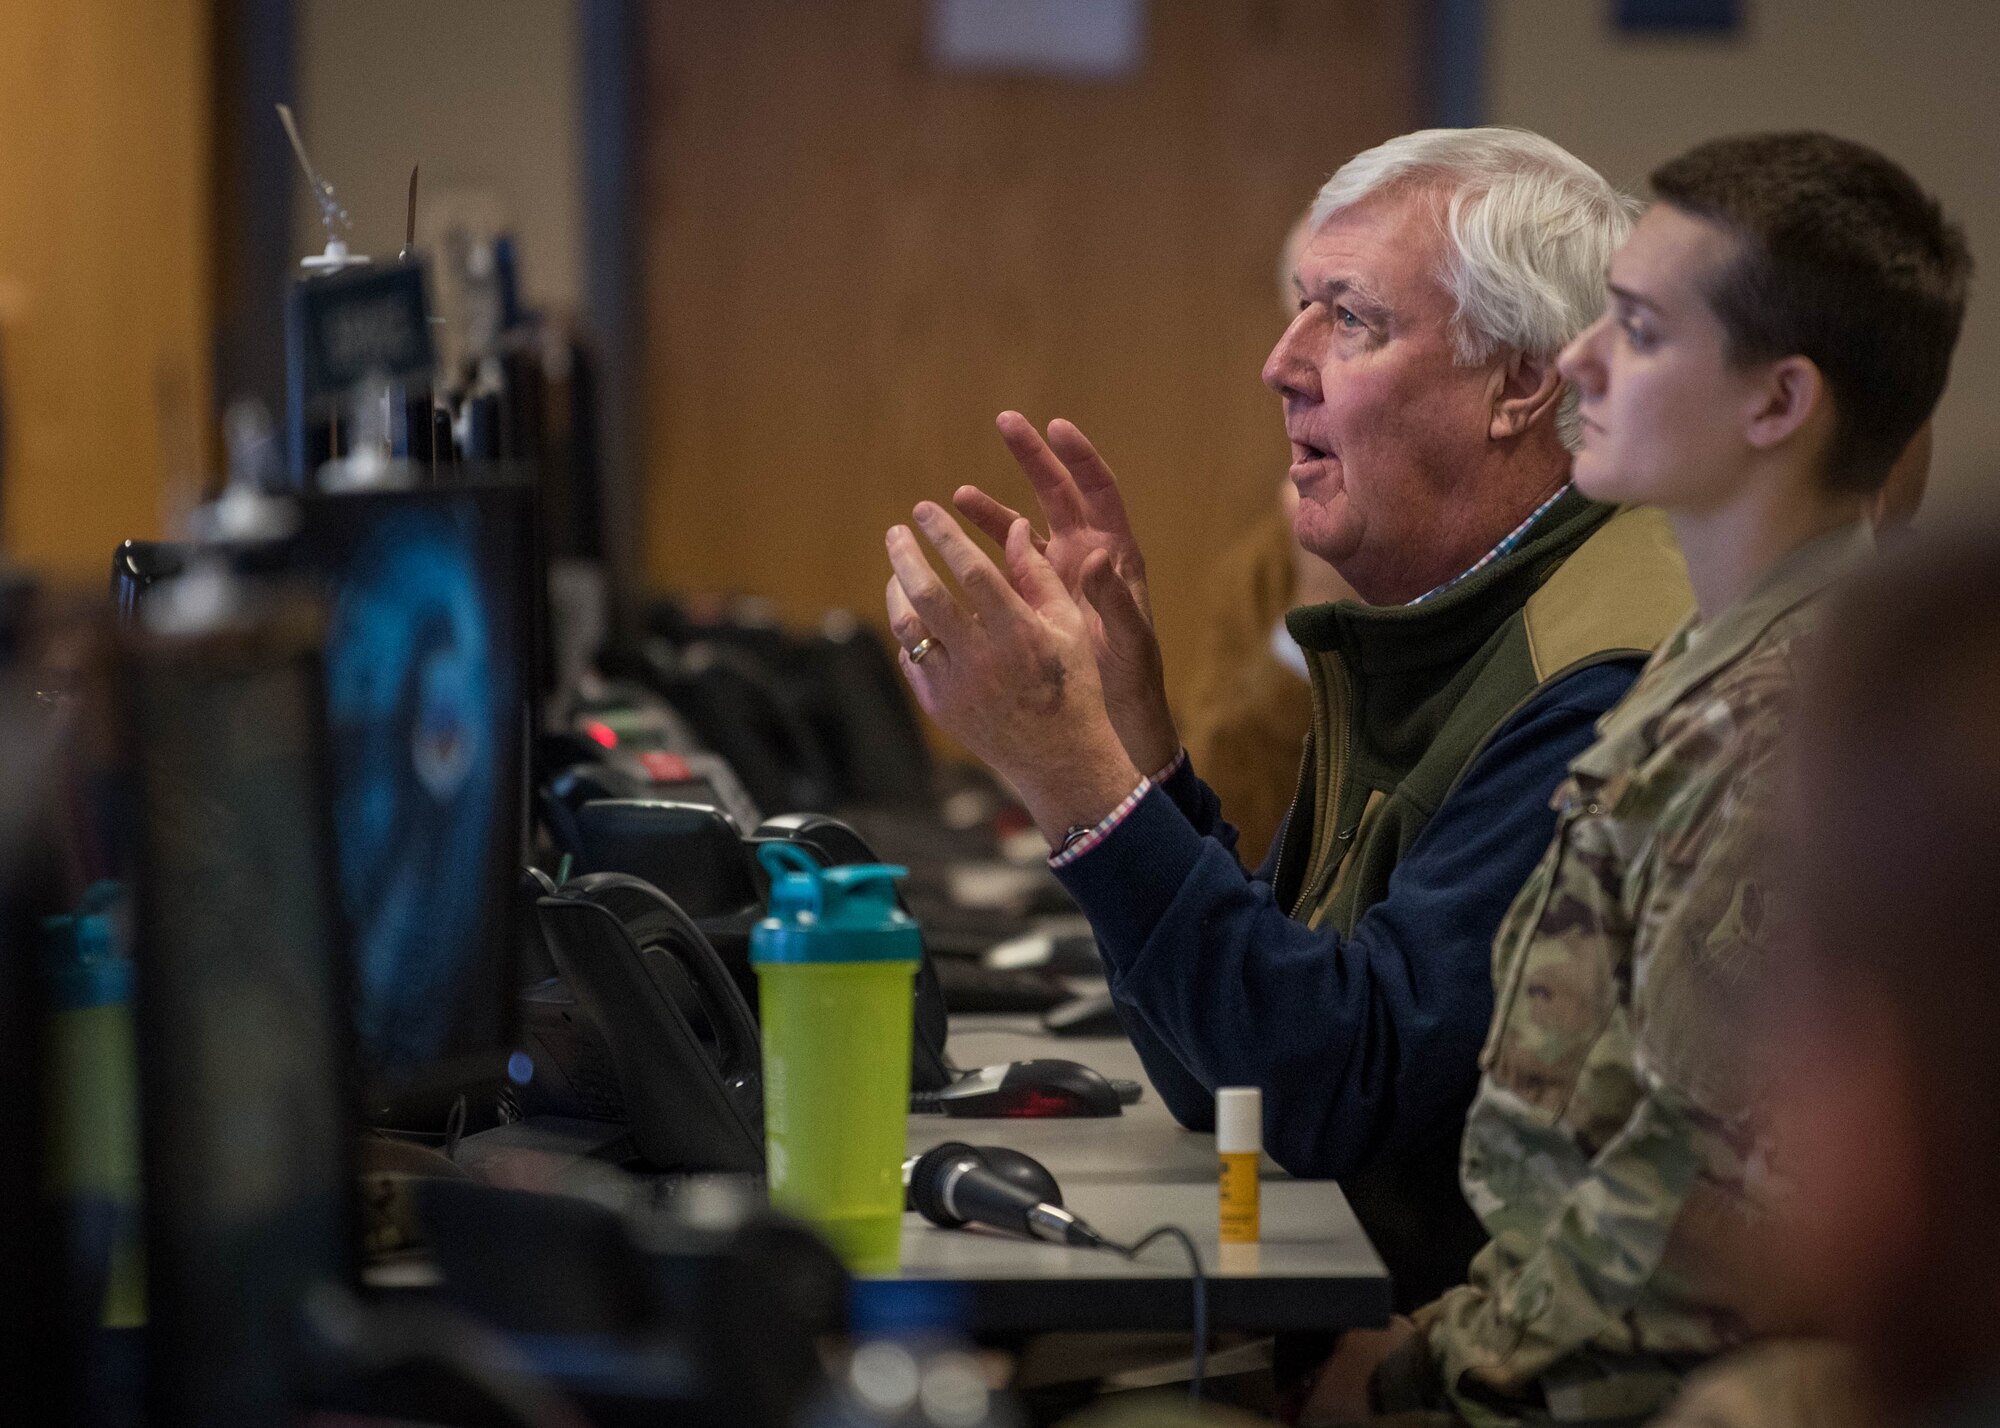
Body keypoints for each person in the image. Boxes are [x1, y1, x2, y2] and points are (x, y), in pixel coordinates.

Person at [883, 128, 1693, 1305]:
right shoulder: (1441, 620)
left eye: (1348, 320)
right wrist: (1131, 743)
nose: (1279, 362)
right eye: (1297, 309)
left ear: (1519, 384)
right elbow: (1237, 1080)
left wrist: (1077, 781)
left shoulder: (1599, 678)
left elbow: (1330, 1091)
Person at [1297, 130, 1972, 1427]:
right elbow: (1584, 1167)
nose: (1578, 363)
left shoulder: (1790, 729)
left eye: (1642, 333)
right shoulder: (1707, 675)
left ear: (1777, 405)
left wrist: (1409, 1374)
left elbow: (1686, 1222)